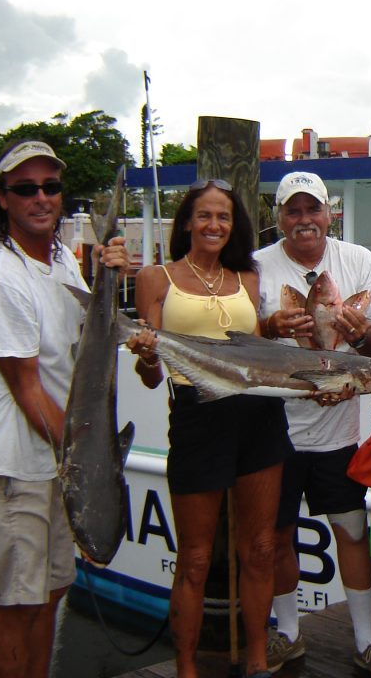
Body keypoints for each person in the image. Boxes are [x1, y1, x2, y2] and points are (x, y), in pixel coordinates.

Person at [0, 140, 130, 678]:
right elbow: (28, 390)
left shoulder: (59, 262)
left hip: (58, 461)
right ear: (2, 198)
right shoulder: (0, 280)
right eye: (25, 189)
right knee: (19, 603)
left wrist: (113, 276)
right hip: (17, 462)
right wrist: (88, 469)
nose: (41, 198)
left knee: (53, 589)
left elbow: (87, 343)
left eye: (50, 187)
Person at [126, 177, 292, 678]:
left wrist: (281, 329)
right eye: (204, 215)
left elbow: (257, 352)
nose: (214, 224)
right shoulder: (157, 278)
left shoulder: (249, 278)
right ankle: (185, 668)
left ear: (233, 226)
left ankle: (259, 658)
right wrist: (148, 360)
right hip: (198, 416)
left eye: (223, 216)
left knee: (260, 549)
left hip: (257, 414)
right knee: (195, 558)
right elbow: (152, 375)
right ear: (187, 223)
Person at [254, 171, 371, 678]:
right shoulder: (258, 266)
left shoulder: (357, 260)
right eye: (292, 211)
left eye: (312, 209)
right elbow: (242, 338)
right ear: (279, 217)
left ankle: (367, 640)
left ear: (328, 213)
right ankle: (289, 634)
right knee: (277, 536)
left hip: (338, 430)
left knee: (351, 530)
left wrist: (360, 335)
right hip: (273, 426)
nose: (304, 220)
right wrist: (268, 326)